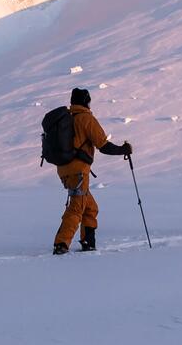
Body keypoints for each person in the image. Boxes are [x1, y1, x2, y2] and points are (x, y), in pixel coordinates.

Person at [53, 87, 132, 255]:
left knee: (90, 208)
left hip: (64, 170)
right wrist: (123, 150)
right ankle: (61, 244)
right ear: (86, 102)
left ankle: (88, 243)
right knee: (76, 208)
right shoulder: (86, 119)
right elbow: (103, 145)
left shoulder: (68, 118)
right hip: (79, 171)